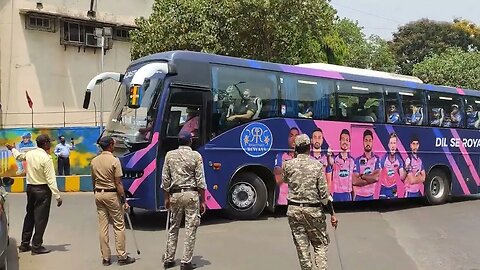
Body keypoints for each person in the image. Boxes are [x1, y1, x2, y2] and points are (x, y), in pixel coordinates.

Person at [282, 134, 338, 270]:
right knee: (320, 244)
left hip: (294, 211)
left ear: (296, 148)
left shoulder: (288, 165)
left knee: (302, 248)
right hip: (313, 212)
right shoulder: (317, 166)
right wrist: (332, 214)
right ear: (309, 148)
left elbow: (285, 180)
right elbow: (324, 195)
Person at [6, 134, 63, 255]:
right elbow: (51, 179)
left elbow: (19, 156)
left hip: (30, 189)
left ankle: (24, 244)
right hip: (42, 190)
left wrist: (12, 149)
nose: (50, 145)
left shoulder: (30, 153)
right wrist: (57, 196)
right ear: (45, 144)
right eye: (49, 142)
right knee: (41, 219)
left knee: (30, 216)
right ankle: (37, 246)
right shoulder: (46, 158)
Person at [161, 131, 207, 270]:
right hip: (191, 195)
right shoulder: (196, 156)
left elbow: (165, 179)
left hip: (175, 195)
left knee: (173, 227)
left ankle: (169, 259)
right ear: (190, 141)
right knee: (190, 228)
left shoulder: (169, 155)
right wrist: (203, 201)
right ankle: (186, 262)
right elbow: (200, 181)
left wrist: (166, 198)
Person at [90, 136, 136, 266]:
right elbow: (118, 183)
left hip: (99, 193)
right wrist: (124, 200)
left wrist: (96, 192)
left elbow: (93, 180)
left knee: (102, 226)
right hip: (111, 194)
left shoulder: (94, 161)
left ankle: (105, 257)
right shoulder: (114, 161)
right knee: (119, 225)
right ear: (110, 145)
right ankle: (122, 255)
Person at [274, 127, 300, 205]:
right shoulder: (280, 156)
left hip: (299, 201)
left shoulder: (304, 157)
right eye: (291, 136)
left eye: (296, 136)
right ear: (288, 139)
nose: (294, 139)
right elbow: (277, 180)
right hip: (284, 200)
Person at [352, 130, 381, 201]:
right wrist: (371, 179)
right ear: (363, 142)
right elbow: (355, 181)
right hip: (358, 197)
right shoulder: (357, 160)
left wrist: (362, 176)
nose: (368, 143)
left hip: (371, 197)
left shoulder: (377, 159)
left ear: (372, 142)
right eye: (366, 140)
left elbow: (376, 178)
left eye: (370, 140)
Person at [329, 129, 355, 202]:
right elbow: (330, 162)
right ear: (340, 141)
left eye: (347, 140)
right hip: (336, 194)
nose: (345, 142)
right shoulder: (334, 158)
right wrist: (329, 155)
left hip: (347, 195)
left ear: (349, 143)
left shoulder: (352, 161)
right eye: (343, 139)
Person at [379, 132, 406, 199]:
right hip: (383, 188)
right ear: (388, 145)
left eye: (394, 143)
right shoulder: (383, 159)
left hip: (393, 188)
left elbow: (402, 177)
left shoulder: (399, 160)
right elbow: (378, 175)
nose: (393, 146)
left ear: (396, 145)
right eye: (391, 143)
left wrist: (407, 169)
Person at [310, 128, 333, 193]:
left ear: (322, 140)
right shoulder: (307, 158)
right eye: (315, 137)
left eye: (319, 137)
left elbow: (329, 181)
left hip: (322, 195)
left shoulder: (326, 158)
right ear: (311, 140)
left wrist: (327, 196)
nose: (317, 140)